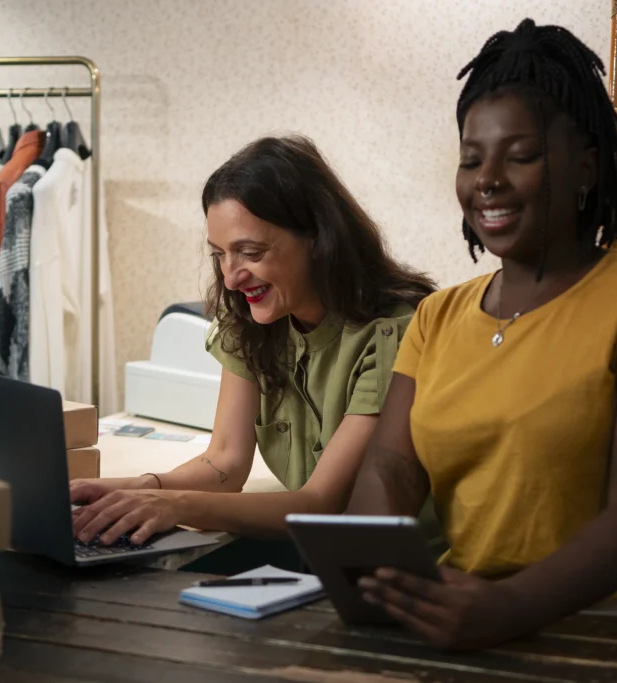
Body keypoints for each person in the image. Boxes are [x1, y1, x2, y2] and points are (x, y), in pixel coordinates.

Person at [348, 19, 617, 650]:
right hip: (467, 618)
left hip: (612, 628)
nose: (487, 179)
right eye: (471, 159)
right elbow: (391, 469)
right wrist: (368, 573)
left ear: (585, 169)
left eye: (520, 156)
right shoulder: (437, 316)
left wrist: (513, 605)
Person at [71, 135, 435, 549]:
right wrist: (130, 489)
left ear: (318, 238)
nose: (230, 278)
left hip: (402, 566)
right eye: (219, 255)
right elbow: (224, 462)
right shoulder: (255, 322)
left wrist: (171, 504)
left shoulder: (394, 334)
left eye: (250, 252)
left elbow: (321, 503)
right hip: (324, 555)